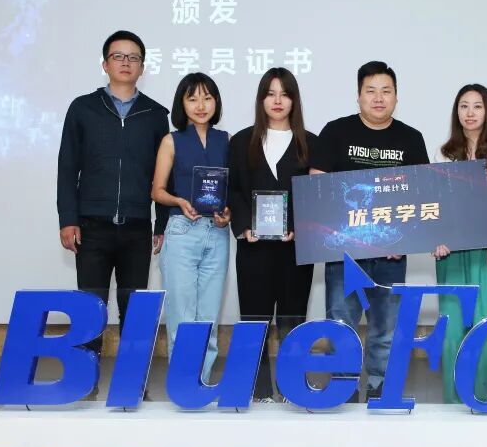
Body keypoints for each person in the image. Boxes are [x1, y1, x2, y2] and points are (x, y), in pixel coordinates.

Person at [310, 61, 429, 402]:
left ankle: (380, 390)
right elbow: (318, 187)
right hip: (345, 256)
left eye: (386, 91)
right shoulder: (336, 132)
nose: (379, 98)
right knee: (341, 324)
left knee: (386, 328)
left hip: (391, 254)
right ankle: (343, 388)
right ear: (359, 96)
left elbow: (421, 195)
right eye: (371, 91)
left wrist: (405, 239)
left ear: (396, 97)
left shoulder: (410, 138)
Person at [57, 30, 169, 370]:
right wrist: (68, 219)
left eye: (133, 57)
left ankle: (132, 383)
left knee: (134, 311)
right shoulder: (83, 108)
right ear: (105, 64)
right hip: (92, 226)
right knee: (90, 309)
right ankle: (84, 381)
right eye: (118, 56)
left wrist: (161, 223)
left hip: (137, 226)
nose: (126, 62)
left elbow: (163, 176)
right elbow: (67, 167)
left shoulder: (154, 114)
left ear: (142, 67)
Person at [228, 68, 319, 402]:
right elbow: (233, 190)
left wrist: (298, 224)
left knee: (293, 320)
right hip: (253, 249)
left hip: (296, 249)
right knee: (254, 321)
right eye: (270, 94)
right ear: (261, 99)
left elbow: (316, 195)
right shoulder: (241, 141)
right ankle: (258, 392)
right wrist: (243, 226)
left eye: (285, 94)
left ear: (294, 100)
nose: (278, 101)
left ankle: (292, 388)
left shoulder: (311, 143)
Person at [431, 84, 487, 403]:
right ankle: (454, 399)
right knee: (453, 325)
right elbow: (435, 201)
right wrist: (436, 236)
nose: (470, 113)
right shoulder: (444, 153)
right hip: (453, 253)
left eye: (477, 106)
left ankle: (485, 398)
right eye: (464, 106)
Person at [151, 72, 231, 384]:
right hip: (182, 230)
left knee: (208, 319)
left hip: (217, 233)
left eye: (207, 98)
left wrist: (228, 213)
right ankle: (183, 388)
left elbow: (231, 190)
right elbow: (157, 190)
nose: (200, 105)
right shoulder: (171, 141)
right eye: (193, 98)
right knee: (182, 319)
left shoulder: (225, 140)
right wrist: (179, 201)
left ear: (216, 102)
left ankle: (202, 386)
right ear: (181, 103)